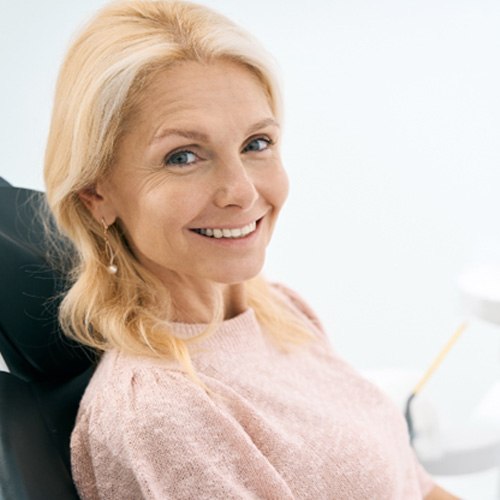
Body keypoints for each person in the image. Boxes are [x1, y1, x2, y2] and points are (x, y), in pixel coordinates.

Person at [43, 1, 457, 498]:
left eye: (256, 144)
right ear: (97, 194)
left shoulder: (279, 311)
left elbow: (416, 486)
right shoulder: (162, 412)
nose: (240, 190)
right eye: (183, 156)